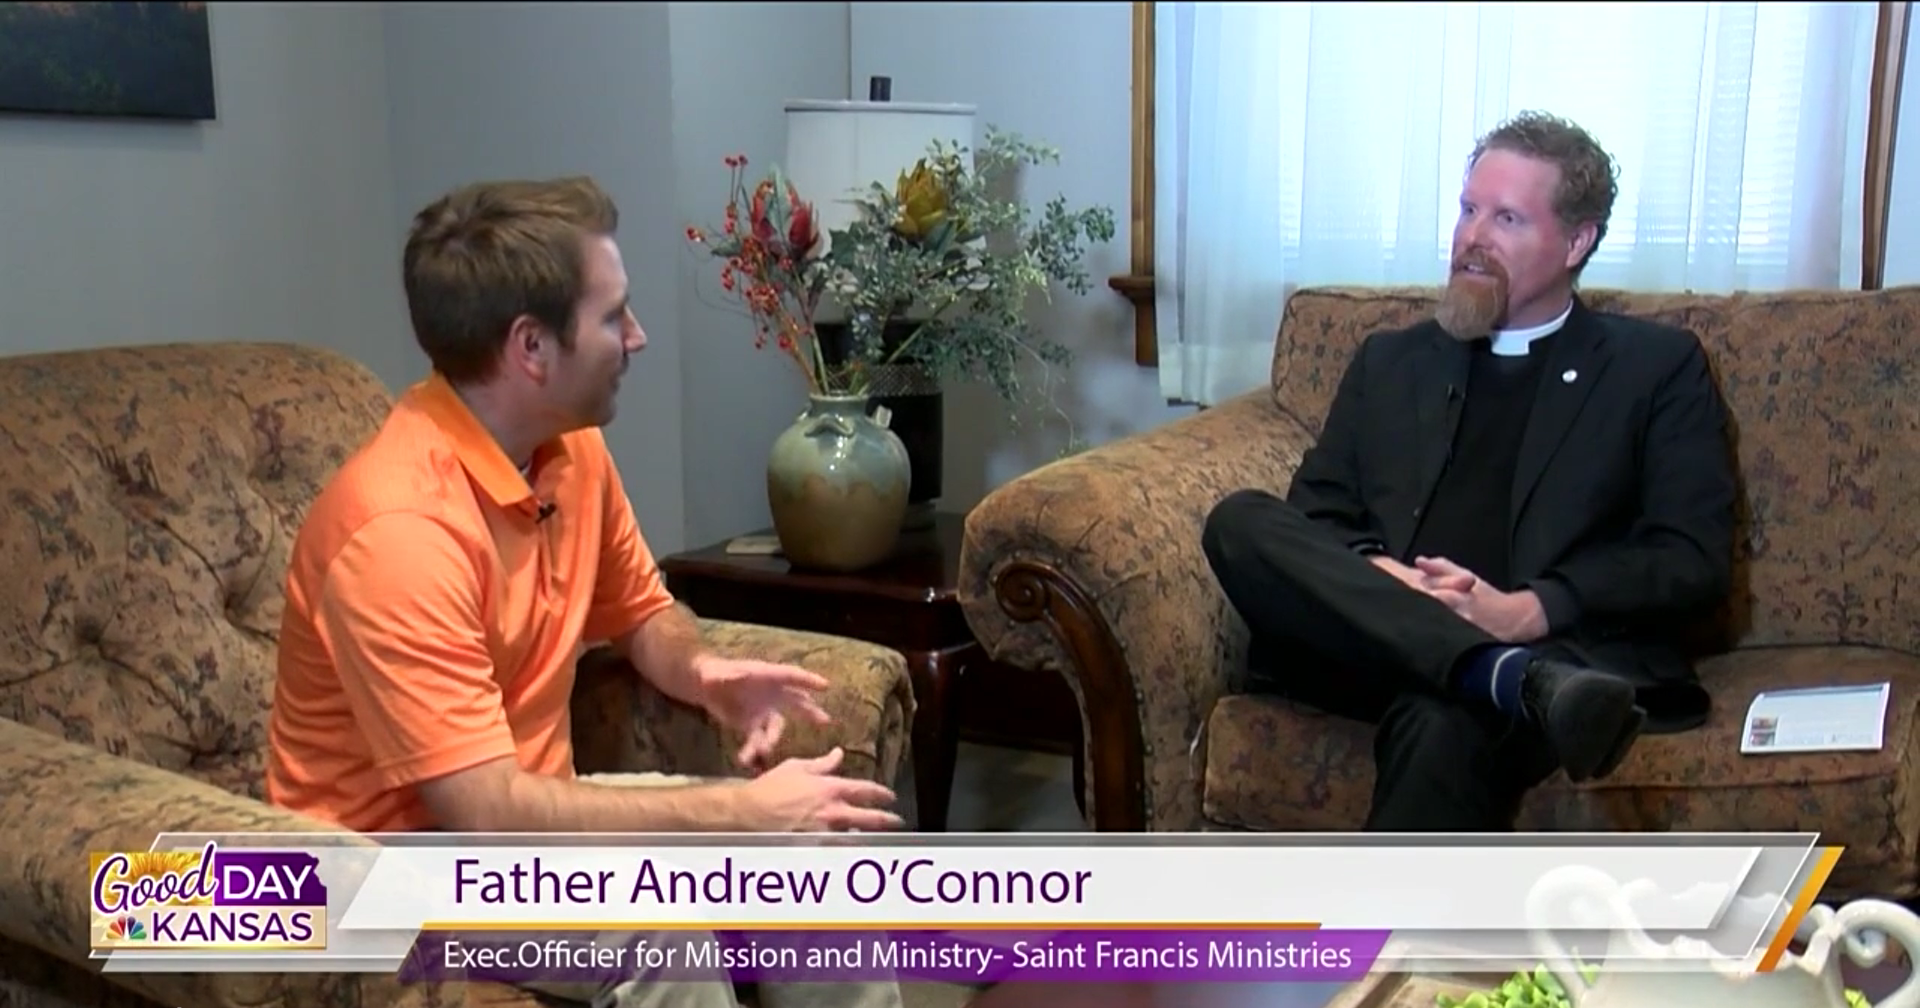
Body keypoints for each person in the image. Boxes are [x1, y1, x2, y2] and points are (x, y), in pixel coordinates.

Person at [265, 176, 905, 1008]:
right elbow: (483, 816)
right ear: (532, 347)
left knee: (811, 856)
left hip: (526, 825)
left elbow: (642, 611)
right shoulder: (398, 533)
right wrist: (735, 814)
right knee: (662, 928)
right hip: (382, 868)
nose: (636, 337)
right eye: (613, 316)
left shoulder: (568, 448)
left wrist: (702, 671)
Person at [1200, 111, 1738, 832]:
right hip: (1372, 644)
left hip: (1547, 643)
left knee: (1444, 720)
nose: (1473, 238)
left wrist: (1526, 611)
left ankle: (1490, 679)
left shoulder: (1653, 368)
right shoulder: (1391, 361)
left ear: (1577, 241)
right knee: (1240, 519)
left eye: (1508, 218)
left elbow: (1689, 558)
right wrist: (1388, 579)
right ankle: (1507, 676)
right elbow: (1317, 519)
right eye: (1467, 209)